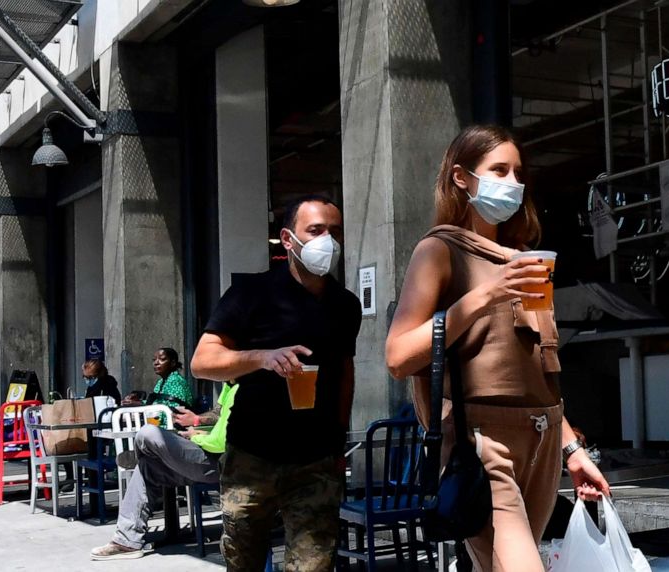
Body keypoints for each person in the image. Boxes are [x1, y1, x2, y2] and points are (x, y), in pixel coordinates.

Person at [385, 125, 611, 571]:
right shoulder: (440, 250)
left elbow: (539, 367)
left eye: (517, 172)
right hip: (482, 439)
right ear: (461, 177)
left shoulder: (523, 256)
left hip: (543, 438)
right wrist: (485, 296)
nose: (511, 182)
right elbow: (397, 357)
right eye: (498, 170)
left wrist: (572, 450)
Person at [191, 195, 361, 571]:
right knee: (243, 561)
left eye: (334, 232)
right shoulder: (251, 294)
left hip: (316, 458)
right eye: (315, 231)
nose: (327, 241)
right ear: (288, 239)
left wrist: (339, 439)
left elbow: (344, 371)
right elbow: (202, 363)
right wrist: (262, 357)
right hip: (252, 456)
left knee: (314, 566)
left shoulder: (345, 305)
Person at [90, 382, 239, 560]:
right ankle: (126, 541)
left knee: (148, 433)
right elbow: (218, 414)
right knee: (147, 468)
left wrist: (197, 436)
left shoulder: (247, 388)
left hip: (222, 461)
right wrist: (197, 421)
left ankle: (141, 455)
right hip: (206, 452)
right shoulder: (229, 384)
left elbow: (223, 441)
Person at [145, 348, 193, 412]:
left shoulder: (176, 381)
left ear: (172, 363)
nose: (156, 363)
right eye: (154, 360)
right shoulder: (161, 382)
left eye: (162, 359)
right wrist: (137, 403)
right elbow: (156, 402)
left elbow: (173, 411)